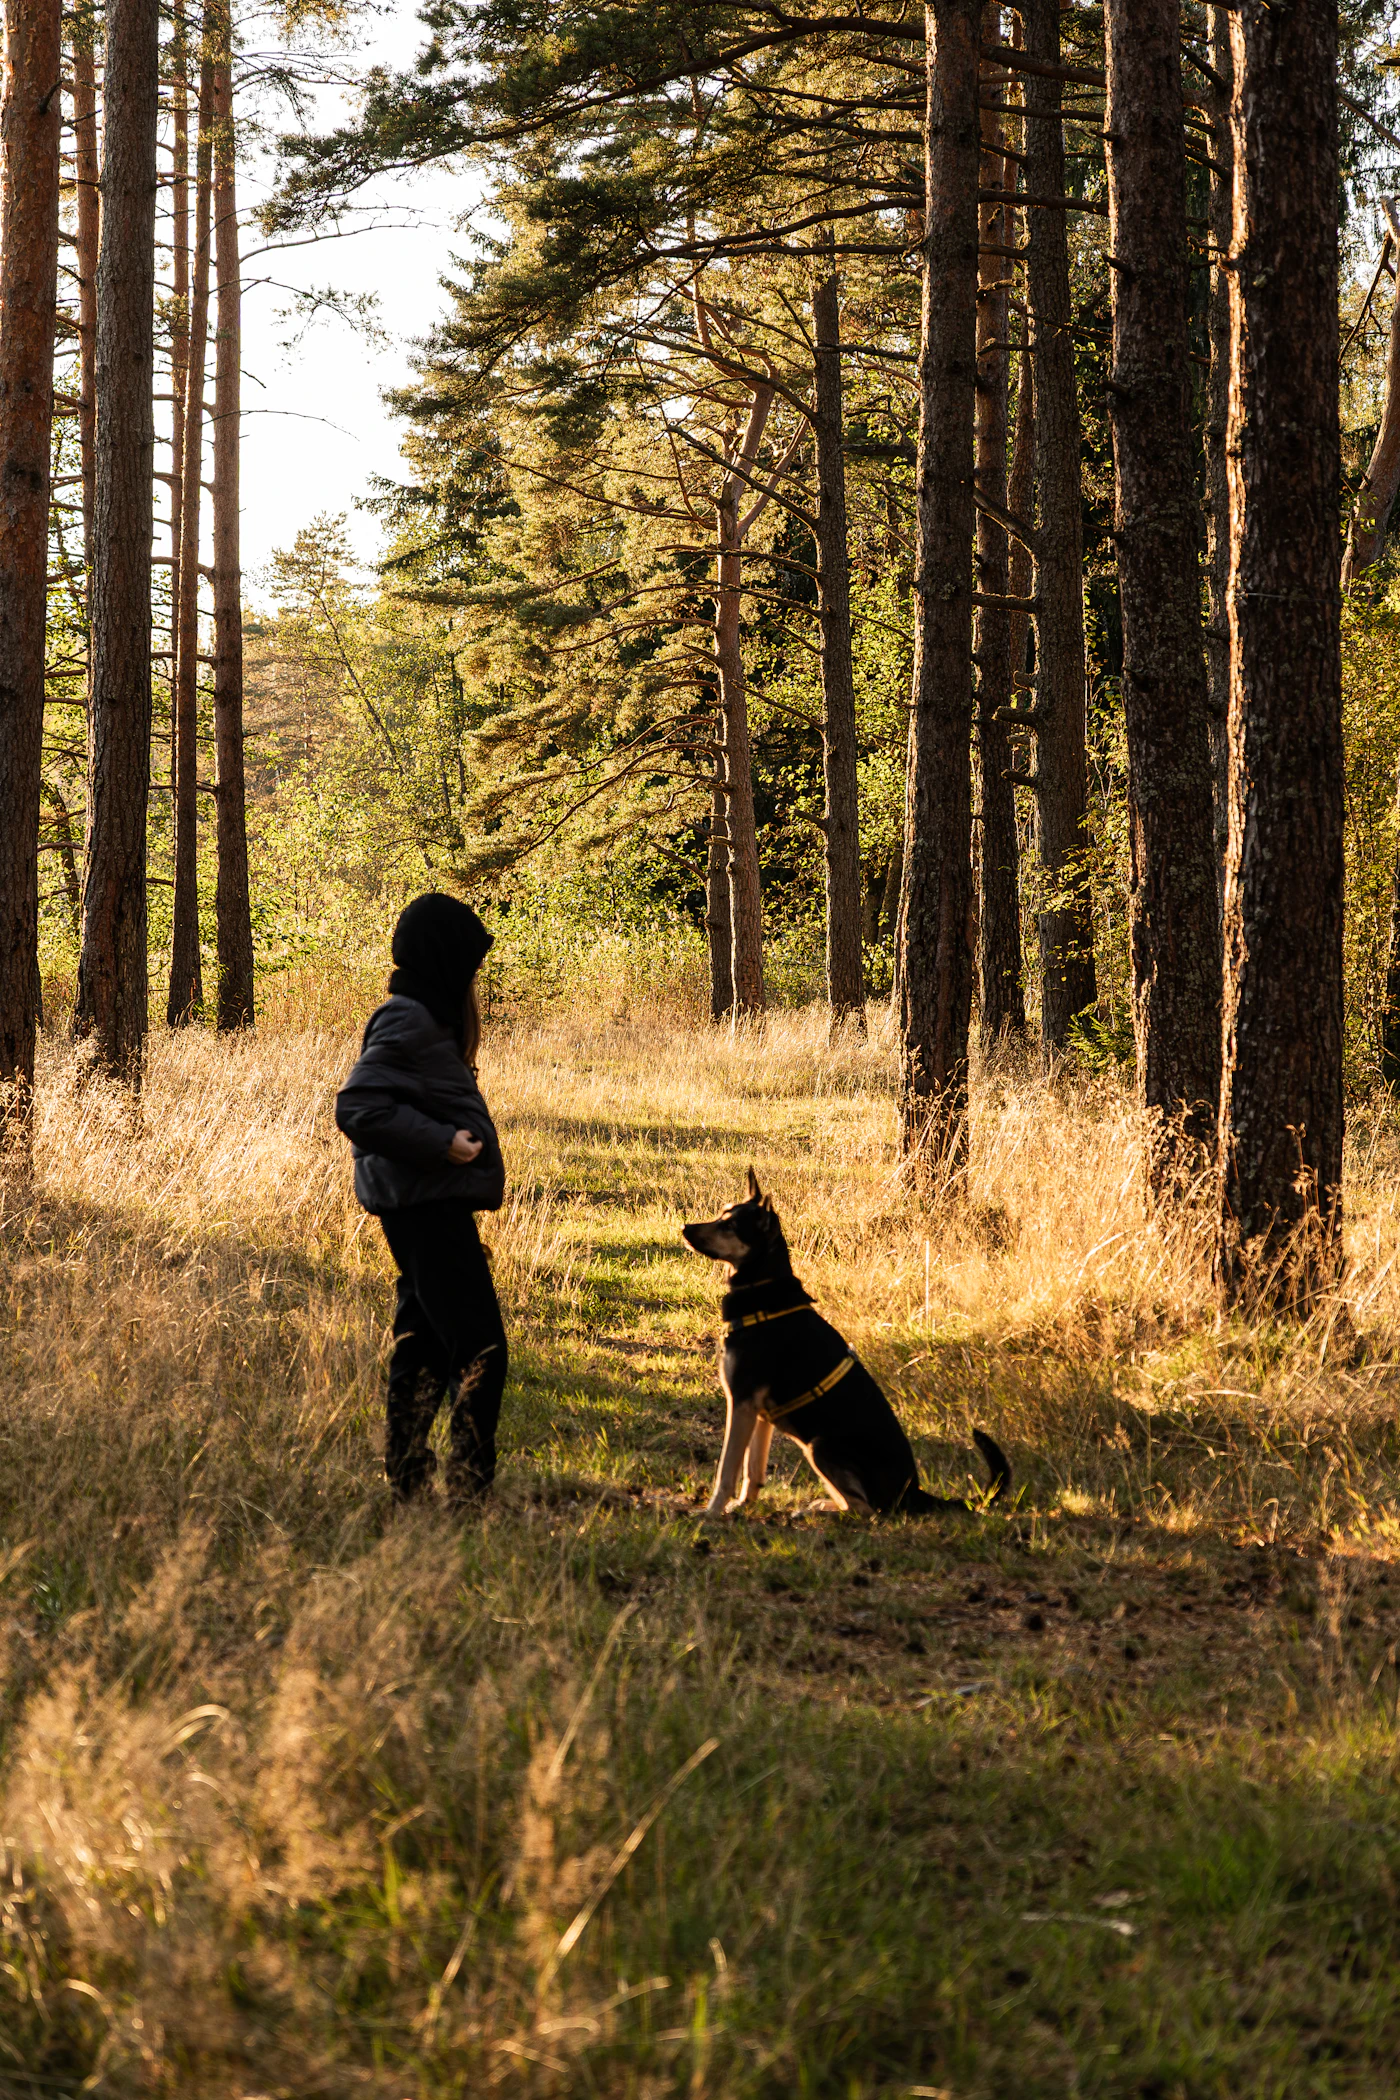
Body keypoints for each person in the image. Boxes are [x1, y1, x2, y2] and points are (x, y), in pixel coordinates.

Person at [336, 892, 507, 1508]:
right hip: (425, 1205)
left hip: (424, 1203)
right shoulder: (406, 1016)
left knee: (426, 1342)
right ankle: (469, 1491)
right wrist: (445, 1145)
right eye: (467, 961)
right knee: (482, 1348)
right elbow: (357, 1107)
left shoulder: (422, 1015)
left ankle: (408, 1479)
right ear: (444, 960)